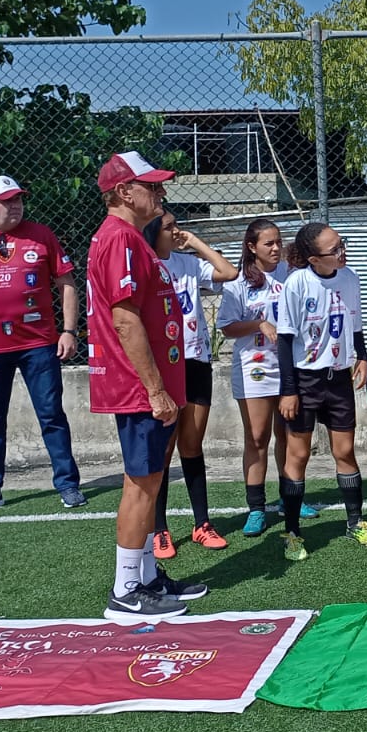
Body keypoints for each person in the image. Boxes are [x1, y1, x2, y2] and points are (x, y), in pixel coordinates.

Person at [88, 152, 206, 621]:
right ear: (123, 192)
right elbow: (125, 319)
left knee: (151, 482)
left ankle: (148, 577)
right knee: (141, 484)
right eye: (151, 187)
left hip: (151, 385)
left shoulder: (131, 240)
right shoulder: (120, 239)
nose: (160, 194)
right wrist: (156, 390)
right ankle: (125, 589)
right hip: (139, 388)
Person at [0, 175, 86, 514]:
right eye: (7, 201)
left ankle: (68, 484)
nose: (15, 205)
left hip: (38, 344)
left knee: (51, 414)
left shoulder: (42, 235)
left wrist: (69, 330)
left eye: (18, 199)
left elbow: (67, 283)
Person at [142, 207, 239, 558]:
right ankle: (160, 529)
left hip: (196, 362)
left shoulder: (187, 262)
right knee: (164, 451)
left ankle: (202, 524)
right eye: (169, 228)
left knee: (192, 445)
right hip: (165, 367)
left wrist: (195, 242)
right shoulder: (146, 266)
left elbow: (229, 272)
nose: (176, 232)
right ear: (154, 233)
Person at [276, 222, 367, 558]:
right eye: (334, 249)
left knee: (344, 451)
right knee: (298, 455)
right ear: (313, 259)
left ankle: (355, 522)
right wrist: (289, 390)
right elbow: (285, 340)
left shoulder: (350, 278)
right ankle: (292, 532)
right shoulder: (297, 283)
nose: (342, 252)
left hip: (339, 377)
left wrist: (362, 356)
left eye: (341, 244)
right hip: (305, 380)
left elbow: (355, 323)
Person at [216, 219, 288, 537]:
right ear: (251, 247)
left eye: (278, 242)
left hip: (289, 366)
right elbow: (227, 326)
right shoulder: (238, 282)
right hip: (254, 367)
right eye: (268, 243)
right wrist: (258, 324)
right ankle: (257, 507)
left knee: (289, 435)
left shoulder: (291, 274)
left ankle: (291, 498)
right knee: (257, 437)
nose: (275, 248)